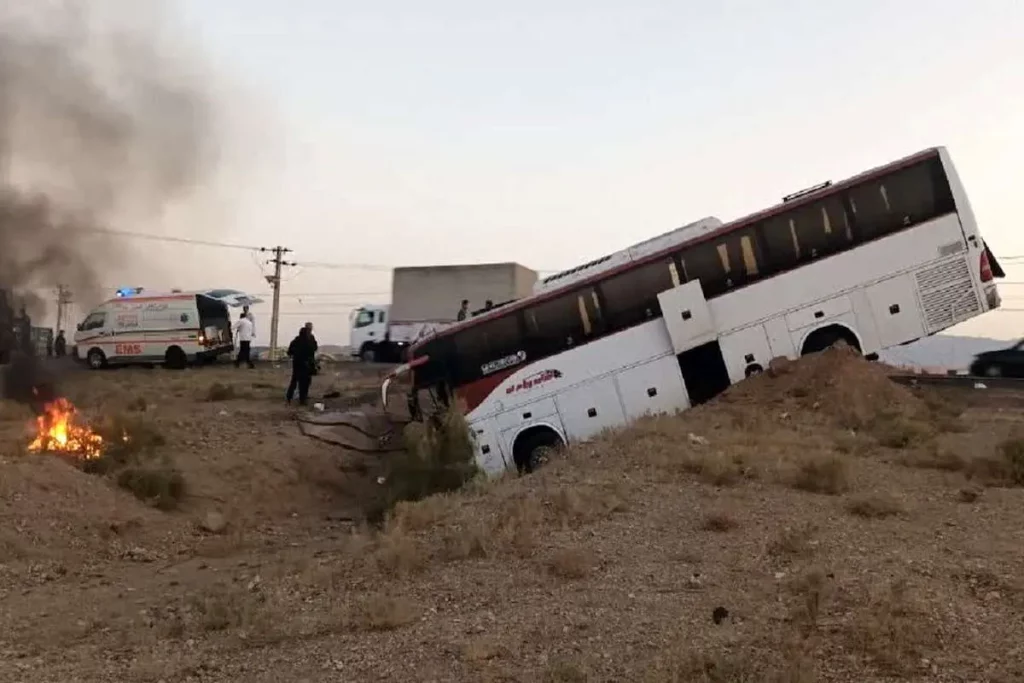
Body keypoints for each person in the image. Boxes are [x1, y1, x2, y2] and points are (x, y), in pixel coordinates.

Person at [286, 325, 317, 405]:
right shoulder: (309, 341)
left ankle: (289, 397)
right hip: (306, 364)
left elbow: (289, 352)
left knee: (294, 381)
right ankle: (302, 399)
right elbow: (313, 350)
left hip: (296, 363)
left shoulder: (295, 341)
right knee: (304, 383)